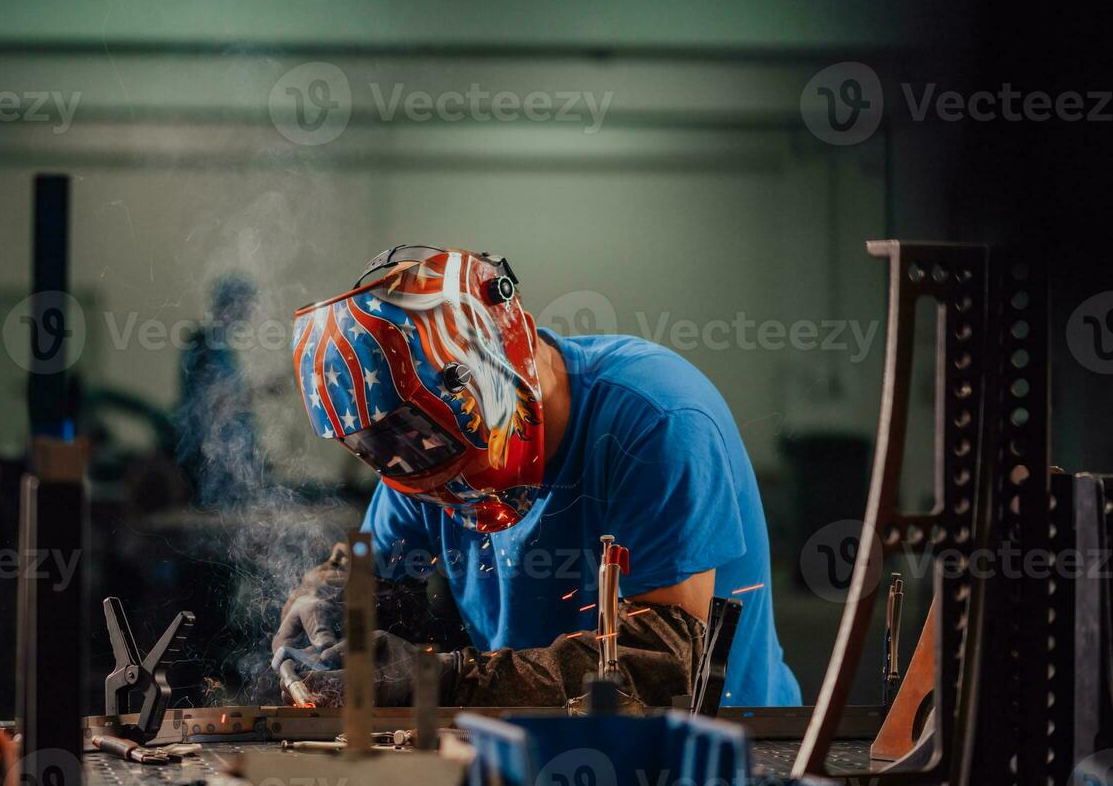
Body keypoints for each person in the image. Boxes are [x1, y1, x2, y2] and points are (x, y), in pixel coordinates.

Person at [272, 246, 800, 708]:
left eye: (447, 450)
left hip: (718, 752)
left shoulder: (658, 422)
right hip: (530, 744)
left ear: (498, 359)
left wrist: (439, 680)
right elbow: (367, 570)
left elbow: (662, 667)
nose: (440, 481)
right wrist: (324, 602)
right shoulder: (419, 452)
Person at [175, 274, 264, 507]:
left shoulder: (222, 346)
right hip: (212, 461)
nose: (247, 313)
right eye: (244, 305)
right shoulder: (204, 344)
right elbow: (215, 404)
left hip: (230, 459)